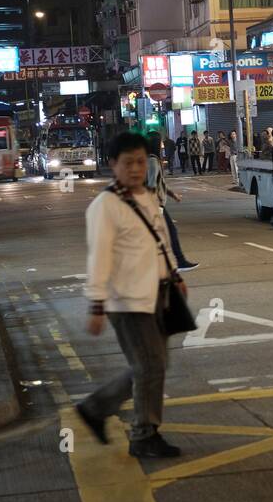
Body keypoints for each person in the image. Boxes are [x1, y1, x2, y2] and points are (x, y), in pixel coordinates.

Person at [76, 131, 184, 459]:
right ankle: (143, 434)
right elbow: (99, 257)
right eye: (128, 163)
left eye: (140, 162)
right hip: (127, 300)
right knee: (150, 365)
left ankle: (96, 408)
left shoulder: (148, 196)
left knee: (154, 364)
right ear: (113, 165)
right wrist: (96, 304)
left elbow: (161, 241)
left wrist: (175, 273)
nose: (136, 169)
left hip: (159, 294)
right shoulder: (105, 206)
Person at [146, 132, 198, 272]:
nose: (162, 145)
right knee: (168, 232)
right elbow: (151, 185)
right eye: (160, 143)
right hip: (155, 204)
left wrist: (173, 194)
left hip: (156, 204)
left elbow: (159, 183)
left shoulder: (153, 159)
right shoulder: (152, 161)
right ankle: (179, 262)